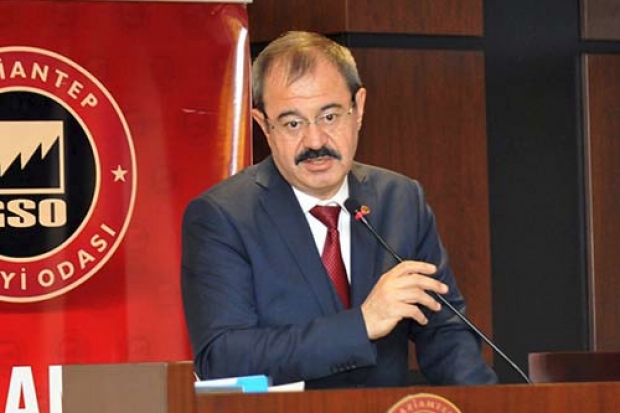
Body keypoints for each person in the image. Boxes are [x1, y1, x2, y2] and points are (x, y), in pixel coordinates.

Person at [181, 30, 497, 388]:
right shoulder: (222, 217)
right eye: (292, 123)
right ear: (264, 125)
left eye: (329, 117)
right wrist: (361, 324)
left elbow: (445, 333)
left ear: (358, 108)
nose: (315, 141)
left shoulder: (400, 200)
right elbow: (222, 358)